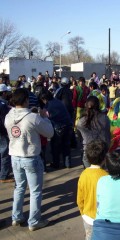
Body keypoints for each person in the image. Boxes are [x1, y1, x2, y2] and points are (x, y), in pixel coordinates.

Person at [4, 88, 54, 231]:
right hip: (31, 157)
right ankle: (34, 221)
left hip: (14, 156)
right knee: (35, 191)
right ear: (26, 100)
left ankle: (17, 216)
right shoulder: (33, 118)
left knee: (19, 188)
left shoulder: (8, 115)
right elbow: (49, 132)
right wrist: (44, 117)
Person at [77, 140, 108, 240]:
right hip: (103, 218)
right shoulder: (107, 177)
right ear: (104, 158)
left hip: (87, 216)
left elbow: (80, 199)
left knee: (90, 236)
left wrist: (83, 212)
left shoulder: (83, 174)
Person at [40, 91, 73, 169]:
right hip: (68, 125)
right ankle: (67, 164)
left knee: (56, 147)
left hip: (58, 127)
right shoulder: (58, 101)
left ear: (44, 99)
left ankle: (56, 164)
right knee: (66, 146)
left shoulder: (48, 105)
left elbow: (44, 117)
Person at [77, 96, 111, 168]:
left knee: (89, 174)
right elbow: (108, 134)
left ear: (86, 105)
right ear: (98, 105)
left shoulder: (81, 121)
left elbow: (80, 137)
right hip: (102, 150)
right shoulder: (105, 118)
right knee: (100, 173)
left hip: (88, 152)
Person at [0, 84, 14, 183]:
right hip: (3, 131)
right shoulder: (4, 104)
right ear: (4, 93)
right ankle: (4, 176)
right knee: (5, 154)